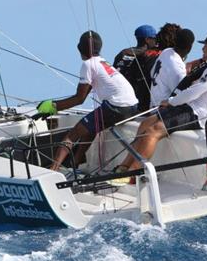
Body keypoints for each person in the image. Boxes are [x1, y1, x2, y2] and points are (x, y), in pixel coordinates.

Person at [114, 33, 207, 174]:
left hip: (197, 114)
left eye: (206, 47)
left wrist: (171, 102)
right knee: (145, 123)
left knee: (152, 132)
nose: (202, 50)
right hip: (187, 107)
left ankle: (134, 173)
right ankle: (124, 166)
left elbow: (194, 92)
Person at [37, 31, 139, 171]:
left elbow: (79, 99)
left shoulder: (88, 65)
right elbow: (85, 94)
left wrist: (53, 107)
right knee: (90, 129)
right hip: (132, 107)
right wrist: (56, 107)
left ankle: (53, 170)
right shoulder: (103, 62)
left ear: (80, 49)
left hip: (116, 107)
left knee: (72, 136)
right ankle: (76, 162)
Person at [113, 25, 161, 111]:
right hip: (140, 103)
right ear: (147, 39)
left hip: (119, 100)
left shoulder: (123, 53)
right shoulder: (150, 55)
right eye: (154, 39)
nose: (156, 41)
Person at [149, 28, 195, 108]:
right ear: (190, 47)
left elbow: (151, 73)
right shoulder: (177, 67)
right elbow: (182, 95)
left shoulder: (167, 51)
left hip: (152, 106)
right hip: (162, 112)